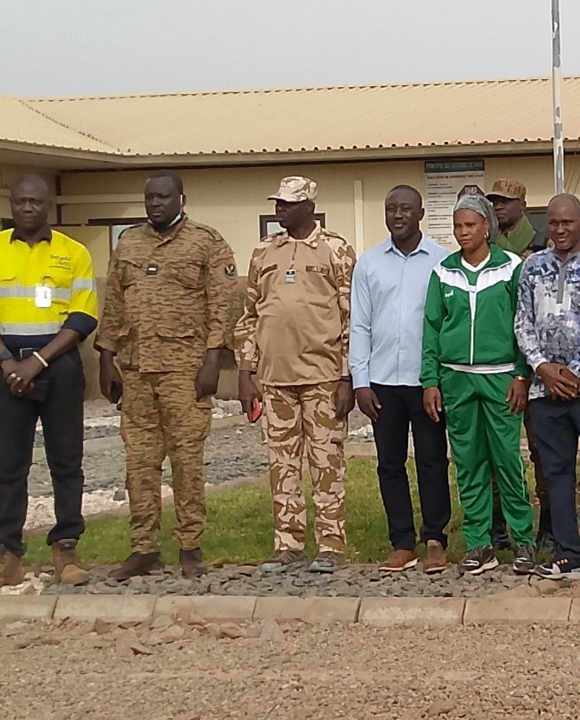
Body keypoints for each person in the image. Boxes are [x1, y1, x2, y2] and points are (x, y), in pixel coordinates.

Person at [97, 170, 234, 581]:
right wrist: (107, 356)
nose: (155, 204)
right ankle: (144, 549)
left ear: (181, 199)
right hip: (137, 372)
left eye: (163, 197)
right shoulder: (128, 243)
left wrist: (213, 360)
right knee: (139, 463)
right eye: (149, 198)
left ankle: (190, 546)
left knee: (186, 461)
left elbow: (222, 305)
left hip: (185, 370)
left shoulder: (206, 242)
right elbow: (115, 303)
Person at [0, 175, 98, 592]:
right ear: (12, 204)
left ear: (48, 204)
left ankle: (66, 548)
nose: (27, 208)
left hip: (57, 365)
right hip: (7, 366)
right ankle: (6, 556)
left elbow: (82, 318)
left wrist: (37, 362)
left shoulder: (74, 253)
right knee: (9, 466)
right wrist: (7, 362)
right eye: (20, 201)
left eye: (35, 202)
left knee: (66, 461)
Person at [235, 176, 356, 574]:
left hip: (322, 377)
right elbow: (250, 315)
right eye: (278, 203)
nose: (280, 210)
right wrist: (245, 369)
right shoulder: (264, 251)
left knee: (326, 462)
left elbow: (350, 315)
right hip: (274, 378)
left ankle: (331, 545)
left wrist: (346, 377)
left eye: (288, 204)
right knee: (282, 463)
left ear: (309, 206)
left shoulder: (335, 250)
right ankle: (287, 542)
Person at [421, 193, 536, 575]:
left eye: (470, 225)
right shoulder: (443, 272)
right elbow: (432, 330)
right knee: (468, 464)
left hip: (501, 378)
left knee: (506, 461)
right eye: (457, 226)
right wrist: (430, 380)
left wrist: (522, 373)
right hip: (456, 381)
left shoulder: (511, 267)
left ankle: (523, 541)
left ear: (487, 226)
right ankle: (479, 543)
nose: (463, 232)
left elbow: (524, 325)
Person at [515, 193, 580, 584]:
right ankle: (568, 556)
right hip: (546, 392)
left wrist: (574, 370)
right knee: (556, 474)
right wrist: (543, 368)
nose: (560, 230)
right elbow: (522, 323)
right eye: (554, 223)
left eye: (568, 223)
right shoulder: (532, 269)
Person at [350, 185, 452, 574]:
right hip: (382, 382)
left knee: (431, 460)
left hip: (426, 381)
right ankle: (402, 542)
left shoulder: (442, 262)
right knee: (389, 463)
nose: (397, 215)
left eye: (405, 208)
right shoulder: (369, 264)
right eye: (391, 208)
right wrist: (360, 380)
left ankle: (435, 540)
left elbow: (446, 323)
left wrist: (439, 379)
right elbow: (359, 324)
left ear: (421, 214)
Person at [486, 177, 550, 553]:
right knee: (498, 450)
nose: (499, 207)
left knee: (542, 449)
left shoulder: (540, 246)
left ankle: (549, 526)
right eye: (494, 201)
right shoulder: (486, 249)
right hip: (498, 364)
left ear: (522, 205)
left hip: (537, 364)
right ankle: (499, 526)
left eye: (506, 201)